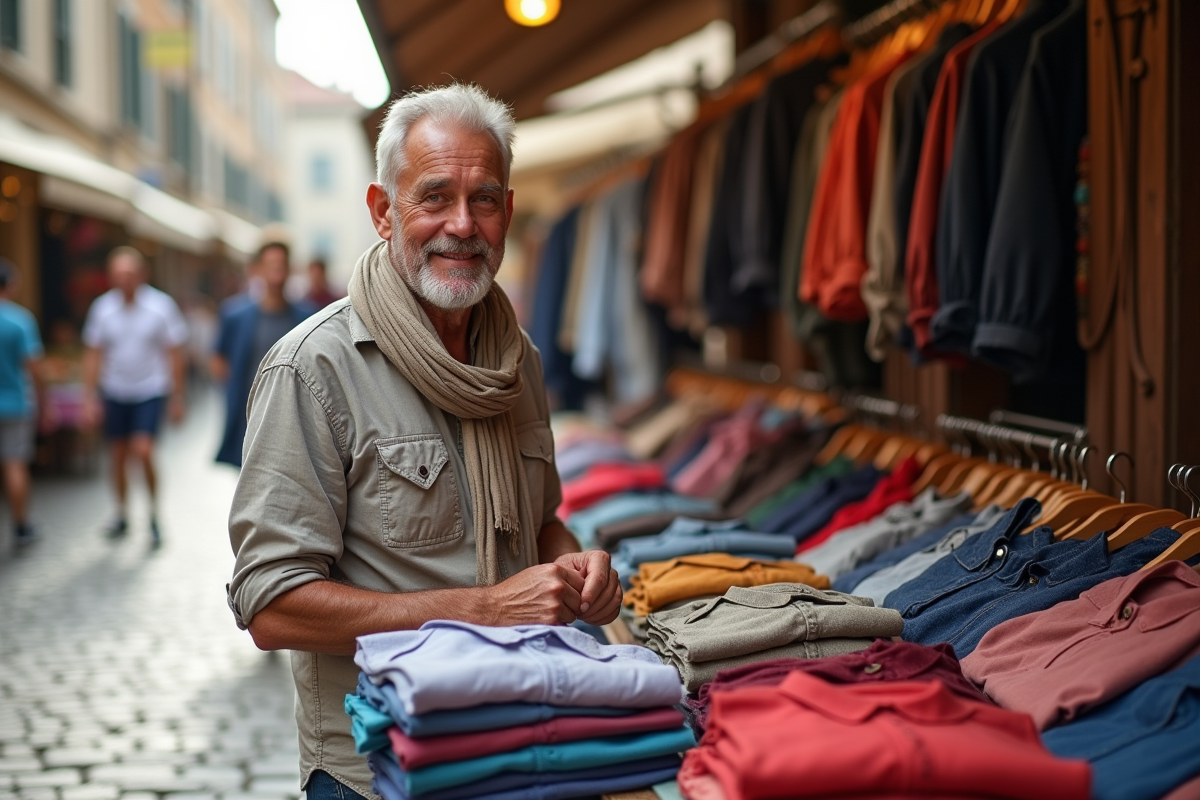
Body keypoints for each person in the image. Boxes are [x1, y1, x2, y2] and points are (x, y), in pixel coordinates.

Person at [226, 83, 623, 800]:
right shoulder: (314, 369)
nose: (462, 225)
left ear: (508, 209)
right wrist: (483, 608)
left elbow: (540, 525)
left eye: (486, 200)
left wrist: (578, 565)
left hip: (523, 744)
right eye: (434, 197)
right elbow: (271, 604)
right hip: (380, 772)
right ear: (384, 212)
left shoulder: (518, 360)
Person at [81, 246, 188, 546]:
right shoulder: (102, 308)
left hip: (150, 389)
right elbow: (93, 354)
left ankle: (153, 512)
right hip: (115, 389)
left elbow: (175, 352)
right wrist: (88, 397)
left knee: (142, 450)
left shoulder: (160, 306)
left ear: (142, 274)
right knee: (116, 455)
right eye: (118, 274)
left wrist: (178, 396)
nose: (124, 279)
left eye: (129, 273)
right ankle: (121, 512)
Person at [211, 241, 316, 467]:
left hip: (292, 415)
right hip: (248, 414)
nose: (277, 271)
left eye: (281, 264)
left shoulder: (307, 317)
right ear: (257, 269)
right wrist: (234, 390)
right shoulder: (235, 315)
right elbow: (218, 359)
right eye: (271, 265)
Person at [0, 259, 46, 545]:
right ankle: (21, 525)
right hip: (15, 404)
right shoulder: (20, 320)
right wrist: (45, 400)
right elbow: (34, 366)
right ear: (11, 285)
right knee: (15, 465)